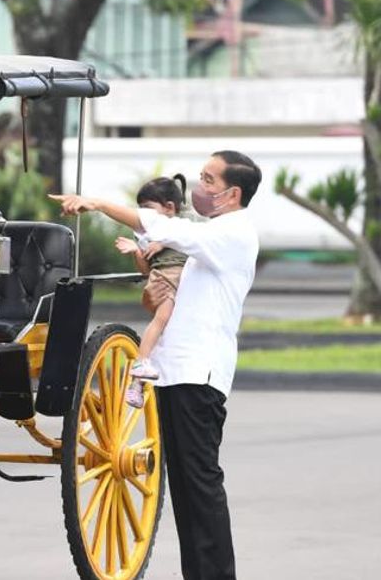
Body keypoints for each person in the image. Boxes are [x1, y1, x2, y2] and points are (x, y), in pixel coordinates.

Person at [51, 150, 262, 580]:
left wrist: (97, 204)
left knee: (199, 487)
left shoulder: (234, 233)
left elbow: (164, 227)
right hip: (178, 370)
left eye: (208, 181)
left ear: (231, 193)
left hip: (197, 376)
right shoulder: (218, 232)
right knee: (186, 491)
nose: (198, 189)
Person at [114, 174, 190, 409]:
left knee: (163, 338)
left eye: (148, 209)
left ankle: (137, 385)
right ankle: (140, 362)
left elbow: (186, 237)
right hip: (165, 280)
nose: (143, 215)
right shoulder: (148, 235)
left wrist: (163, 240)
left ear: (169, 208)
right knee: (160, 320)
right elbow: (146, 269)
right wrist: (138, 250)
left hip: (179, 282)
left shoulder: (182, 226)